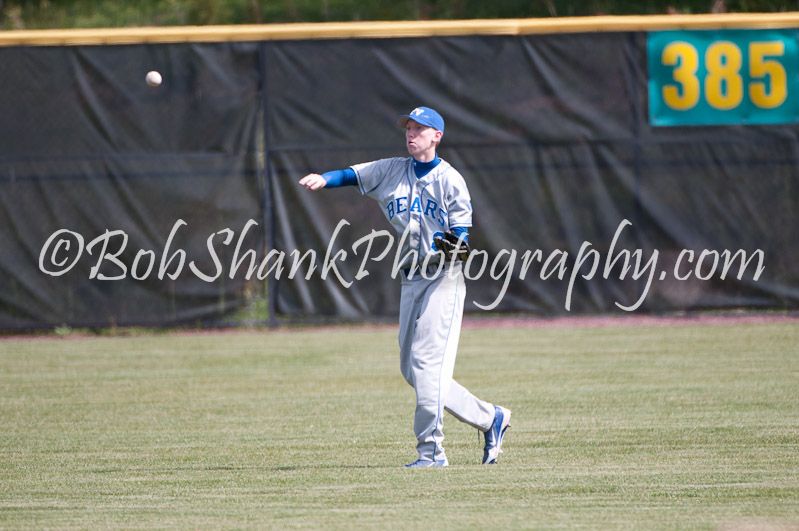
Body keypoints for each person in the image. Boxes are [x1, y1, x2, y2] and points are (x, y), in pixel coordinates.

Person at [298, 106, 511, 467]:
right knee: (413, 370)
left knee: (427, 363)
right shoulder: (392, 170)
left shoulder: (451, 180)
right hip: (411, 277)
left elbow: (460, 237)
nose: (411, 134)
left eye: (419, 129)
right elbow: (353, 174)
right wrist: (324, 177)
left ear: (436, 137)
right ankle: (490, 419)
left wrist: (452, 245)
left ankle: (431, 452)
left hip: (443, 278)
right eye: (408, 128)